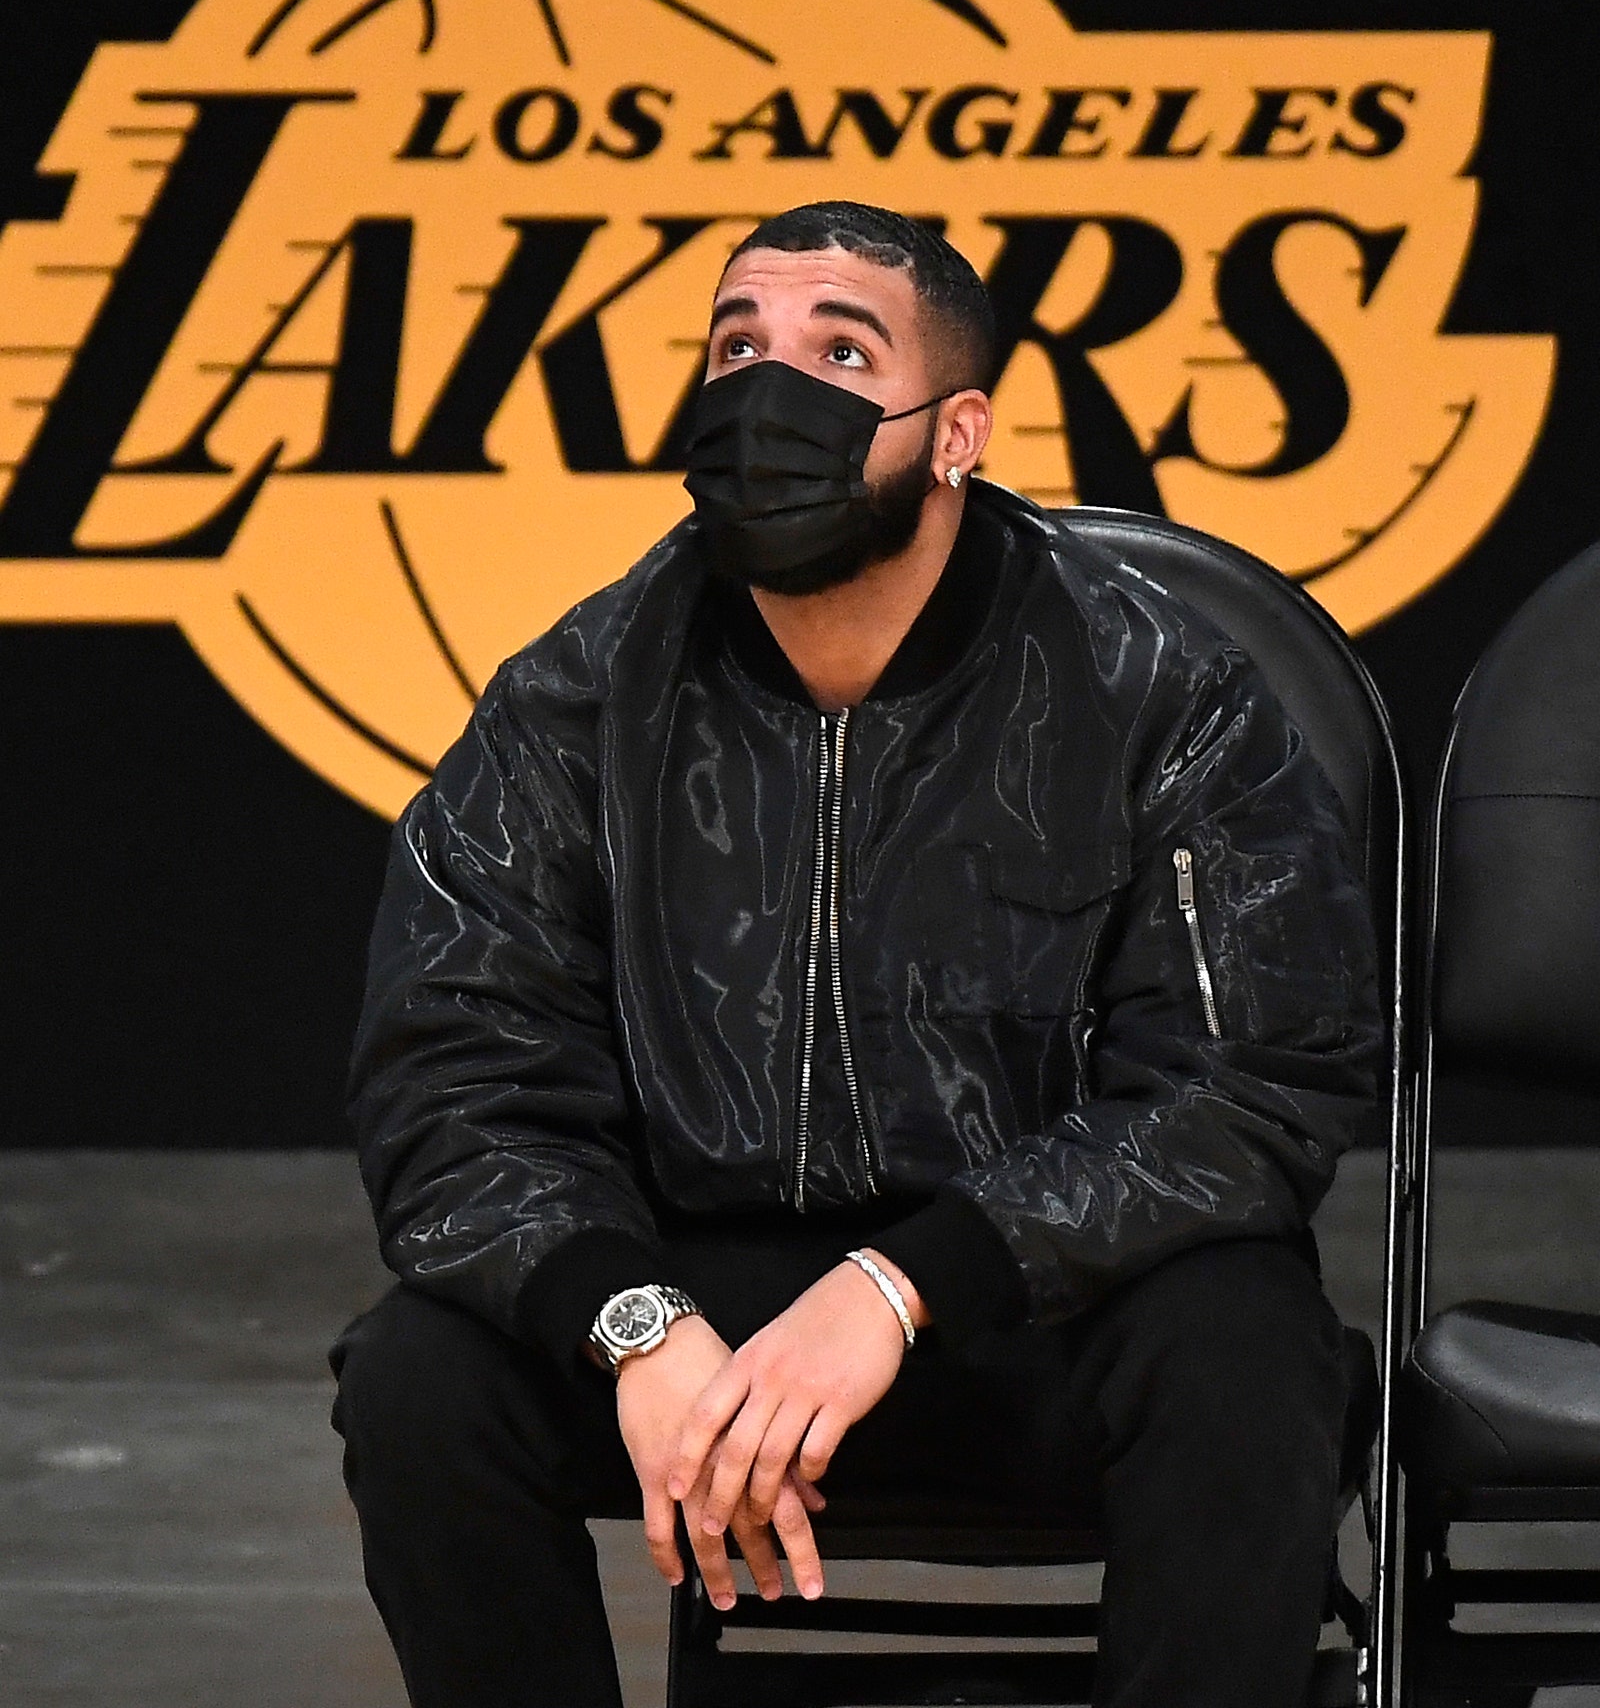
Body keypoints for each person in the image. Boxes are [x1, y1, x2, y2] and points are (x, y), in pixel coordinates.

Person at [332, 200, 1381, 1708]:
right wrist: (637, 1328)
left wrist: (901, 1285)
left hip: (1032, 1303)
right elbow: (449, 1068)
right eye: (738, 343)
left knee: (1248, 1352)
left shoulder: (1158, 686)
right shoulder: (578, 695)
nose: (772, 393)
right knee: (421, 1378)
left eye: (838, 351)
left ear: (956, 433)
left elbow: (1249, 1087)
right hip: (702, 1317)